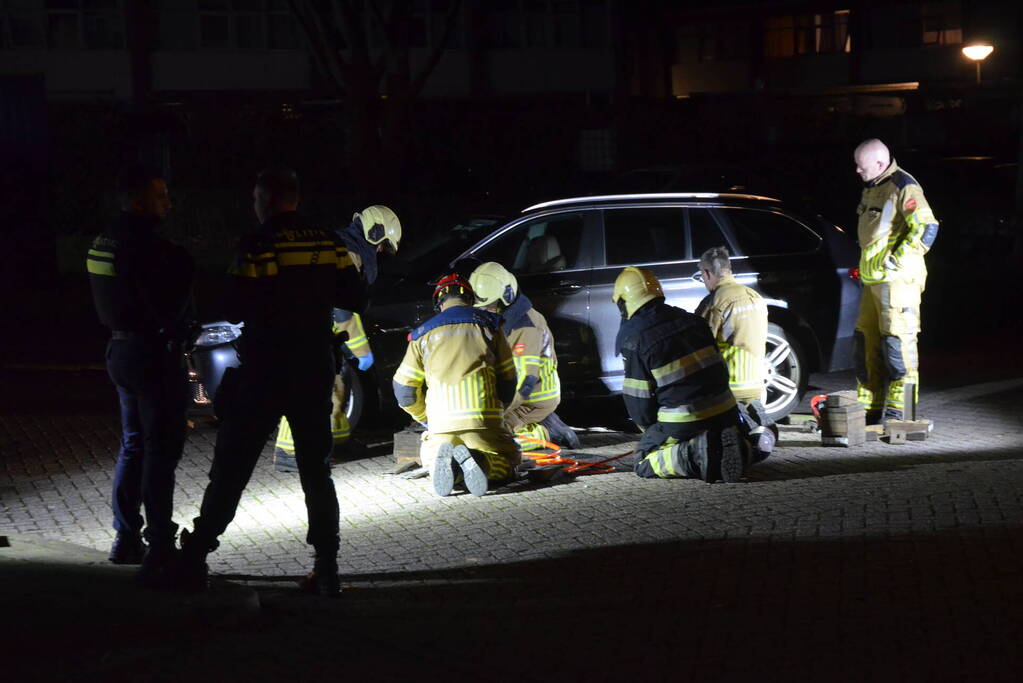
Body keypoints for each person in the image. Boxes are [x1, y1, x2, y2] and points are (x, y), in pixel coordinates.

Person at [175, 168, 367, 596]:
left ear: (263, 200)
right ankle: (327, 568)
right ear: (295, 199)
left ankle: (194, 556)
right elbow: (355, 298)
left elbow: (233, 302)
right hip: (313, 366)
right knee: (316, 472)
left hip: (265, 367)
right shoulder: (328, 242)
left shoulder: (258, 244)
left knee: (232, 468)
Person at [86, 163, 195, 587]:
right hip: (152, 355)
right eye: (160, 194)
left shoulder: (104, 240)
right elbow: (166, 306)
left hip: (120, 351)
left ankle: (126, 538)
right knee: (160, 451)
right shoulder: (150, 248)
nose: (168, 200)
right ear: (137, 200)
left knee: (134, 445)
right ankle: (161, 548)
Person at [273, 205, 401, 472]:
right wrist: (361, 349)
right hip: (306, 330)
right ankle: (289, 452)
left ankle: (338, 441)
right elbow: (343, 307)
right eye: (383, 247)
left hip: (313, 327)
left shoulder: (341, 245)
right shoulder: (349, 253)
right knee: (311, 391)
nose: (381, 255)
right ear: (375, 235)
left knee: (338, 382)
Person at [613, 266, 747, 482]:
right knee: (725, 437)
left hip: (684, 421)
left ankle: (694, 455)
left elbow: (640, 408)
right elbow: (720, 370)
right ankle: (747, 447)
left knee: (643, 461)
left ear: (623, 301)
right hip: (727, 412)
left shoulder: (635, 339)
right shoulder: (694, 321)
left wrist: (652, 435)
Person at [392, 273, 521, 497]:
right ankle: (482, 462)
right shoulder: (491, 326)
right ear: (471, 299)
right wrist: (499, 409)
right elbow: (508, 379)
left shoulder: (421, 335)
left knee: (433, 462)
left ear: (438, 302)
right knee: (509, 460)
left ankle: (451, 468)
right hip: (483, 421)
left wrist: (425, 418)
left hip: (441, 424)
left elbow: (404, 391)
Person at [852, 139, 939, 423]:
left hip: (897, 282)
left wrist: (894, 262)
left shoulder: (904, 186)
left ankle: (901, 410)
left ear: (879, 164)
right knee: (865, 343)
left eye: (861, 166)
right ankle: (870, 406)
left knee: (898, 346)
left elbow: (926, 227)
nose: (856, 170)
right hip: (873, 280)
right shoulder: (873, 185)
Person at [468, 261, 580, 450]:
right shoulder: (503, 321)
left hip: (533, 399)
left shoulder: (525, 326)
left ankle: (547, 433)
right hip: (515, 397)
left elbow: (524, 383)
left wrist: (493, 411)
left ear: (506, 297)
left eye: (490, 305)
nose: (484, 310)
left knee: (493, 437)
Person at [695, 246, 776, 456]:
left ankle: (742, 429)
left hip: (729, 387)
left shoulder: (714, 302)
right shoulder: (754, 296)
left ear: (707, 273)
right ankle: (755, 420)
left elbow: (698, 342)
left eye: (702, 277)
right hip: (758, 383)